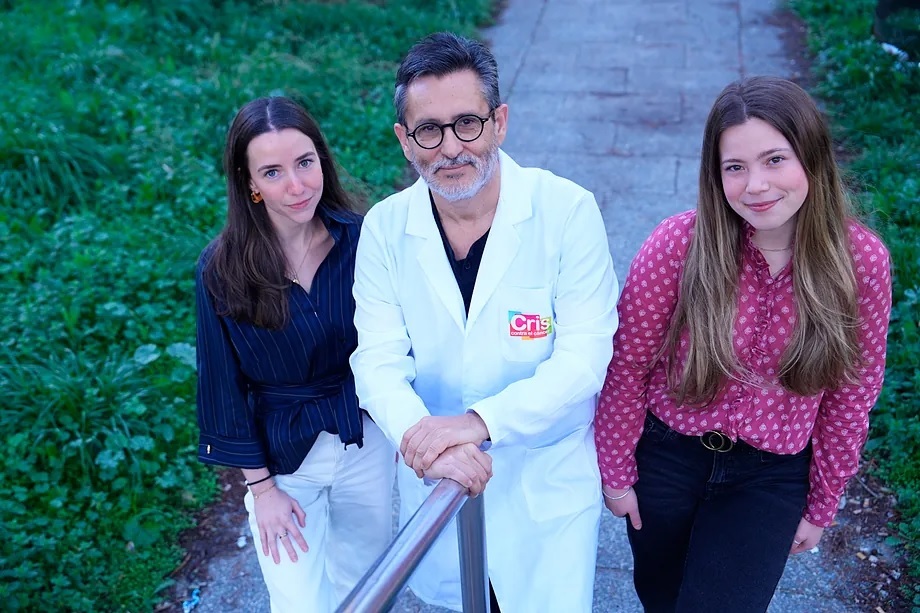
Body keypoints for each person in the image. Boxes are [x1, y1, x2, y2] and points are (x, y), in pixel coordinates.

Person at [594, 76, 892, 612]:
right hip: (668, 459)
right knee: (661, 599)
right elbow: (628, 361)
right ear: (716, 174)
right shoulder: (677, 246)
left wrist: (823, 502)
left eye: (775, 159)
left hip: (770, 477)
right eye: (736, 167)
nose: (756, 185)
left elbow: (853, 393)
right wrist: (617, 472)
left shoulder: (861, 263)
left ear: (813, 158)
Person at [349, 32, 619, 612]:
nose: (450, 148)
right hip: (439, 477)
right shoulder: (384, 229)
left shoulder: (568, 211)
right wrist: (429, 443)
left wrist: (476, 423)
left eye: (467, 123)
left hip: (540, 485)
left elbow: (583, 360)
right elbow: (376, 361)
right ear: (404, 141)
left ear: (499, 121)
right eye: (429, 130)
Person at [195, 96, 395, 612]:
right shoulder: (221, 269)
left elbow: (397, 341)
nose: (297, 185)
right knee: (300, 601)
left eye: (305, 163)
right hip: (282, 458)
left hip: (363, 438)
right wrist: (262, 492)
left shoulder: (361, 239)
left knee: (367, 586)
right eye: (273, 171)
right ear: (249, 183)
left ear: (321, 160)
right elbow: (222, 386)